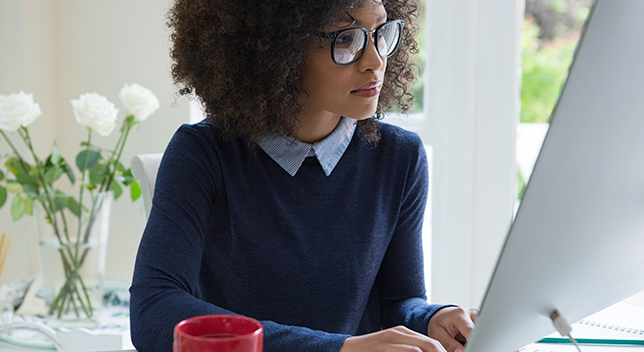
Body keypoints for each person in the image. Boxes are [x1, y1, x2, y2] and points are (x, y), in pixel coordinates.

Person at [129, 0, 478, 351]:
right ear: (274, 47)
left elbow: (398, 302)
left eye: (379, 34)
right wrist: (337, 348)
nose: (375, 62)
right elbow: (154, 310)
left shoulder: (399, 157)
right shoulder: (203, 154)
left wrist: (433, 318)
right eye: (346, 39)